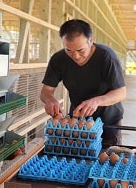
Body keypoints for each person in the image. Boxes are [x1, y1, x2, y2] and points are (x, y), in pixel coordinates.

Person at [40, 19, 126, 148]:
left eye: (80, 50)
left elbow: (120, 92)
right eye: (69, 50)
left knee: (106, 156)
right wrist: (50, 100)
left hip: (108, 118)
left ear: (90, 40)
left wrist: (96, 101)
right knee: (77, 154)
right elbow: (46, 91)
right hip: (78, 117)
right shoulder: (58, 59)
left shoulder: (106, 57)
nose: (75, 56)